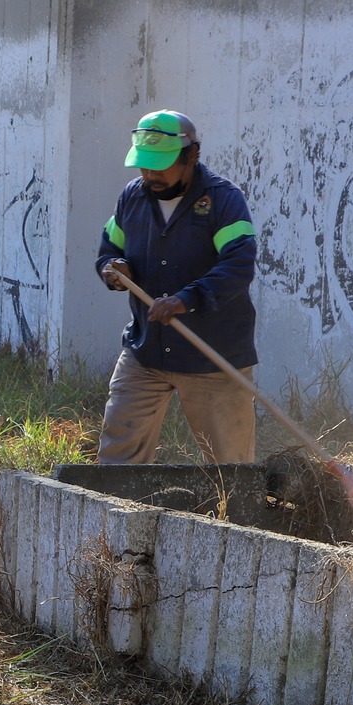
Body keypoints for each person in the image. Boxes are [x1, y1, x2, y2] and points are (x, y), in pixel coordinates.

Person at [92, 110, 260, 464]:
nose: (151, 175)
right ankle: (119, 514)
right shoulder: (132, 198)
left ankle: (234, 518)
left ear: (192, 155)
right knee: (117, 457)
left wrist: (187, 299)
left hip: (213, 357)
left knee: (231, 468)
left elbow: (239, 265)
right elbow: (110, 248)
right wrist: (112, 267)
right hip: (146, 350)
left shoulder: (224, 201)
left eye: (161, 166)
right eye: (145, 166)